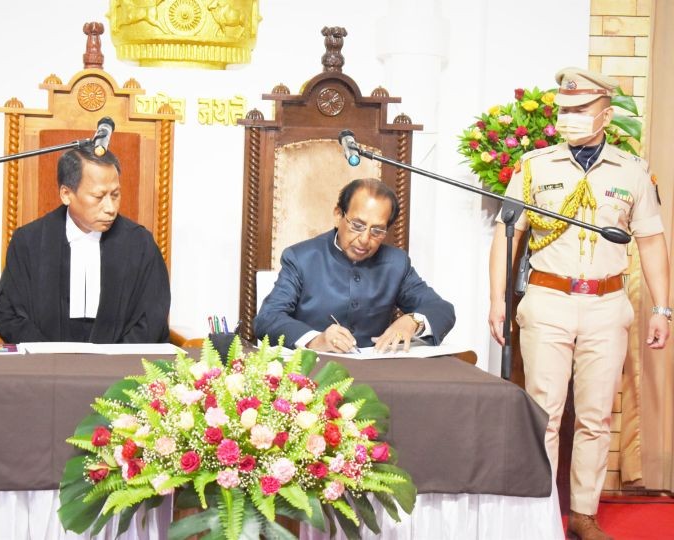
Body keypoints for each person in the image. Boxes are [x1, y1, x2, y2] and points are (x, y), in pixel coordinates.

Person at [488, 67, 671, 540]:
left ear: (605, 115)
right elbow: (508, 237)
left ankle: (583, 515)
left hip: (606, 306)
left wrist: (662, 308)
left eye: (579, 110)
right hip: (548, 299)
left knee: (594, 417)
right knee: (542, 413)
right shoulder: (534, 165)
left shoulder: (631, 171)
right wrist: (497, 301)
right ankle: (540, 514)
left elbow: (651, 241)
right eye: (563, 110)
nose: (567, 118)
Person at [0, 145, 171, 344]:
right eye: (99, 197)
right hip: (46, 366)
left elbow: (152, 317)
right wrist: (50, 358)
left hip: (119, 368)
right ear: (66, 194)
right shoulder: (29, 241)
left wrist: (113, 361)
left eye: (115, 195)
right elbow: (8, 314)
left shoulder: (140, 244)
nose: (110, 208)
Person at [254, 178, 455, 353]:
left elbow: (442, 309)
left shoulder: (396, 263)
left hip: (375, 373)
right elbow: (268, 318)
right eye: (357, 225)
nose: (365, 239)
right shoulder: (300, 258)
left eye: (377, 230)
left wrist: (413, 321)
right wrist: (315, 339)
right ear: (338, 215)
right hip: (314, 370)